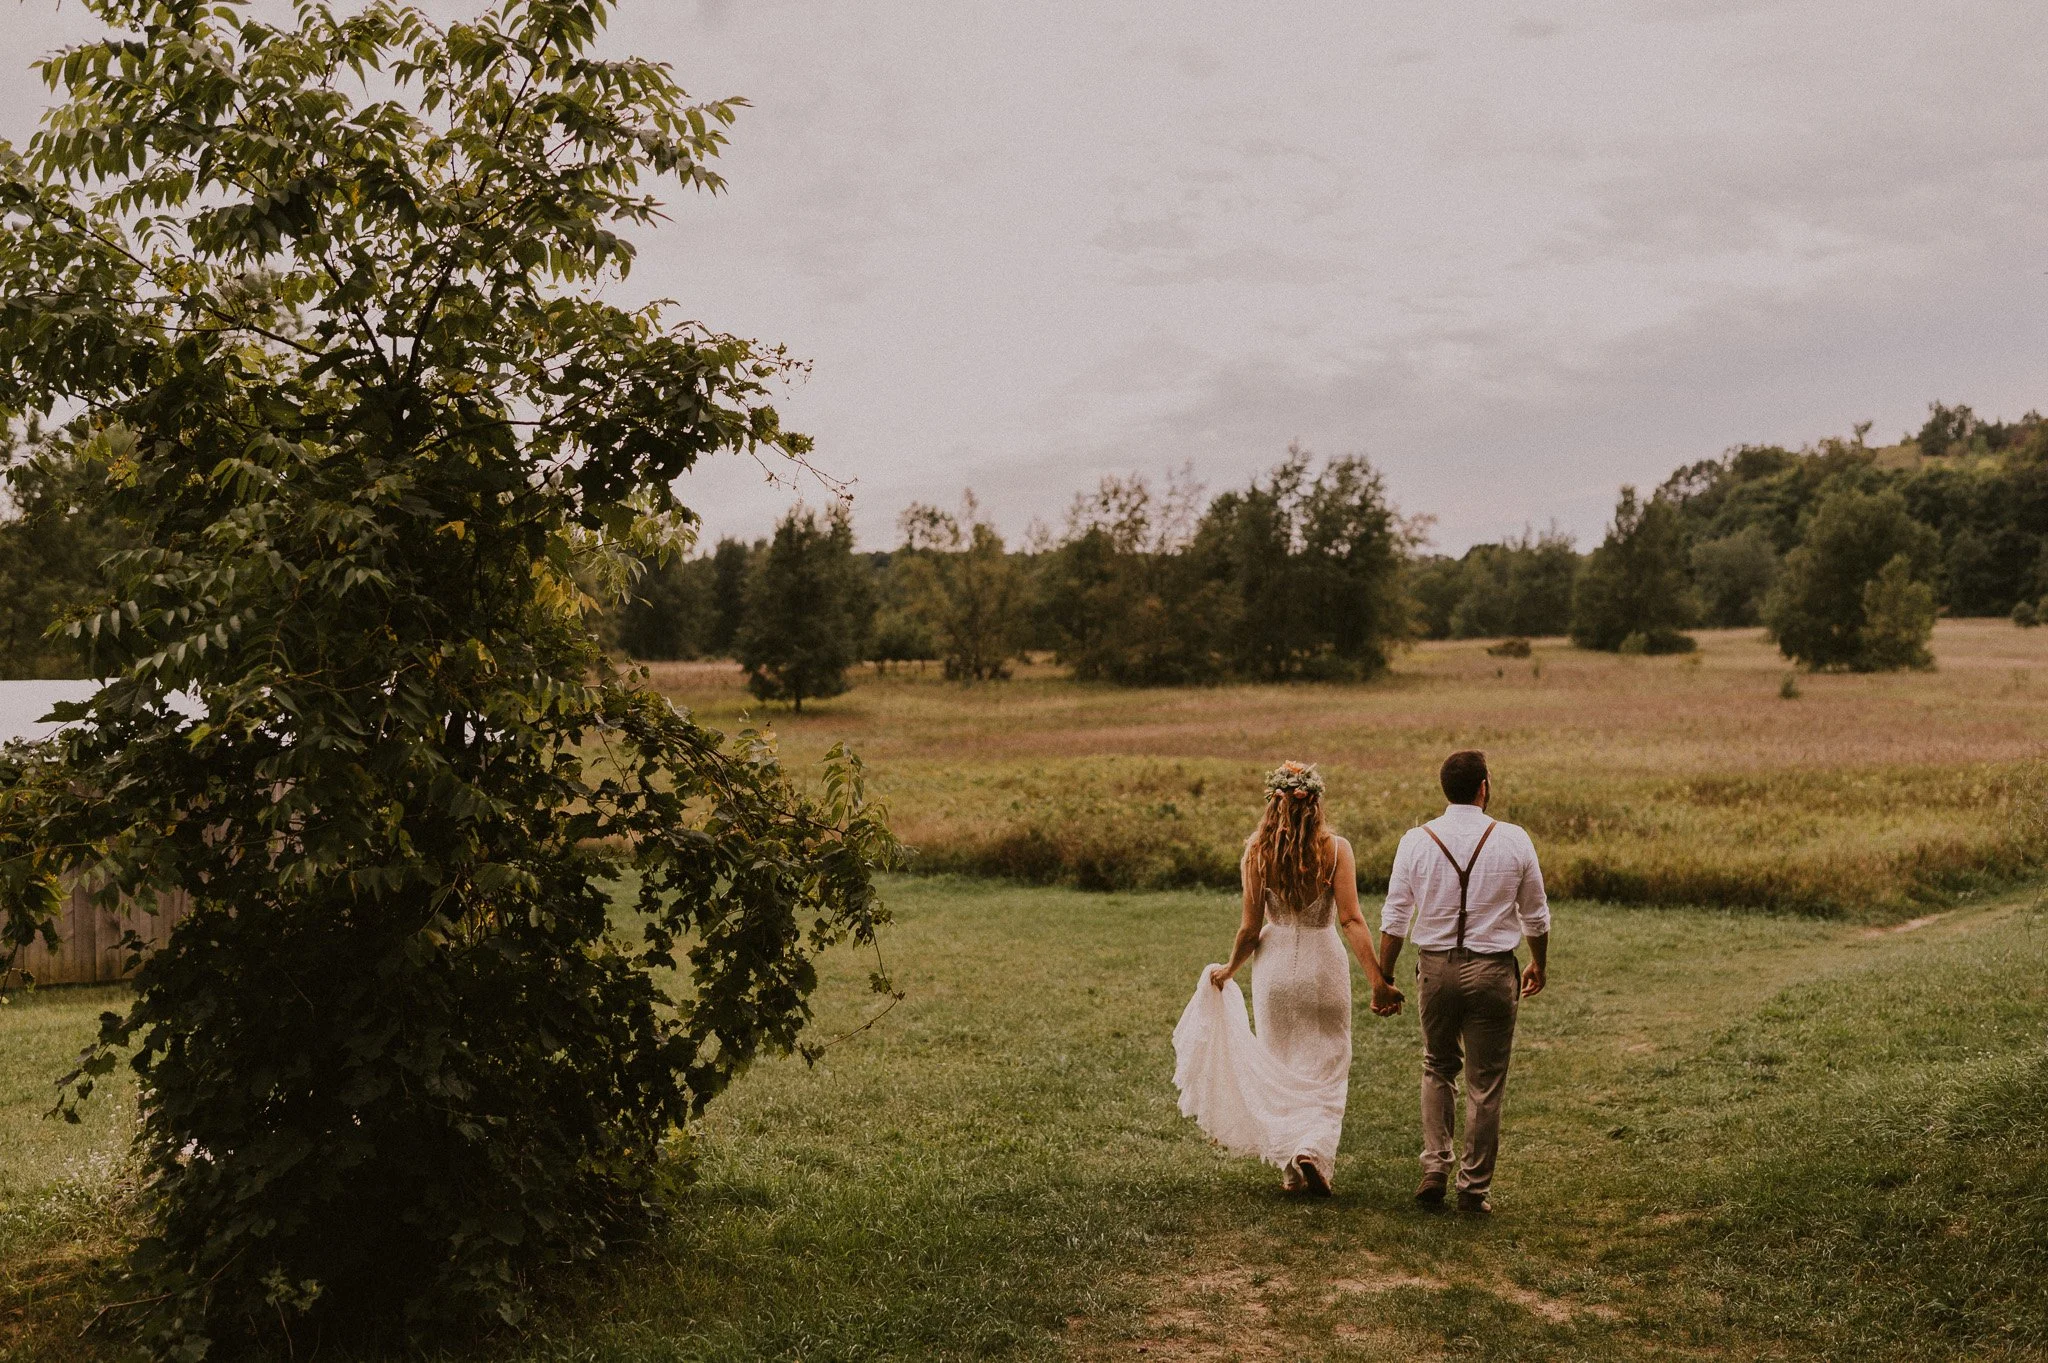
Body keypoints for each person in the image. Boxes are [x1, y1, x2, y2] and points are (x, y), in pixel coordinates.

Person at [1171, 761, 1396, 1194]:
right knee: (1327, 1062)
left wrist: (1229, 970)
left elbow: (1250, 929)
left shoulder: (1256, 850)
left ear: (1275, 804)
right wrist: (1377, 980)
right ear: (1315, 803)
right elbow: (1351, 920)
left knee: (1280, 1062)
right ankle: (1310, 1149)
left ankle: (1292, 1169)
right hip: (1323, 963)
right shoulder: (1336, 850)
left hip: (1274, 972)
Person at [1373, 749, 1550, 1215]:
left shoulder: (1416, 840)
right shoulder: (1514, 839)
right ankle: (1472, 1190)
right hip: (1493, 971)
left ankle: (1434, 1166)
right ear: (1484, 787)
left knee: (1437, 1065)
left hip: (1434, 968)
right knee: (1485, 1082)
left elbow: (1395, 919)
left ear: (1445, 789)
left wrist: (1384, 977)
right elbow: (1535, 915)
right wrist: (1539, 963)